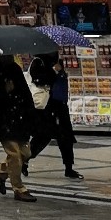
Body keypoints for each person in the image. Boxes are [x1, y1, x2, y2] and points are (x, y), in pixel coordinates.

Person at [0, 47, 37, 199]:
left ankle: (0, 172)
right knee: (15, 155)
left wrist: (31, 114)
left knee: (26, 153)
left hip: (20, 119)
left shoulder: (15, 70)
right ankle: (19, 189)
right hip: (4, 120)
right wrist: (4, 92)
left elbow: (26, 94)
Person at [29, 51, 81, 179]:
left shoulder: (58, 61)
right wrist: (54, 71)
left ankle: (69, 167)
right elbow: (38, 80)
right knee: (42, 137)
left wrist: (60, 72)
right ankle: (25, 160)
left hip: (60, 105)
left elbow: (61, 80)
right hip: (47, 106)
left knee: (65, 138)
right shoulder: (38, 62)